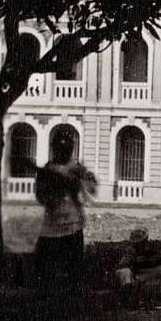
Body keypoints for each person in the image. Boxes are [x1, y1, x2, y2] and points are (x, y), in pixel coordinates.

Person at [34, 127, 97, 311]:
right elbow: (40, 195)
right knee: (45, 268)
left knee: (73, 268)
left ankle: (71, 305)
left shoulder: (76, 168)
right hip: (51, 226)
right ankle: (48, 305)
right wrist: (52, 192)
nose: (62, 151)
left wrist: (79, 181)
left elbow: (91, 187)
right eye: (60, 148)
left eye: (66, 148)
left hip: (72, 226)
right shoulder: (47, 169)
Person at [115, 227, 161, 307]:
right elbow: (123, 265)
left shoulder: (151, 249)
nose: (142, 243)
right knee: (126, 274)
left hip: (144, 273)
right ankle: (126, 301)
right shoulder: (130, 251)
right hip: (133, 274)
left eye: (143, 241)